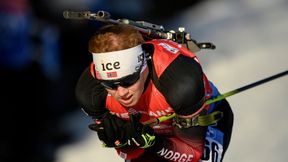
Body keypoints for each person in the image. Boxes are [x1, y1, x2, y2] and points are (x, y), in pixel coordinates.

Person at [75, 24, 234, 162]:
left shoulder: (180, 82)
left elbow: (192, 154)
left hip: (202, 122)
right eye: (109, 85)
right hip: (152, 131)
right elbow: (131, 153)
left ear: (143, 66)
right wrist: (125, 142)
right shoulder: (90, 93)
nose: (121, 93)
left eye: (129, 80)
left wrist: (154, 143)